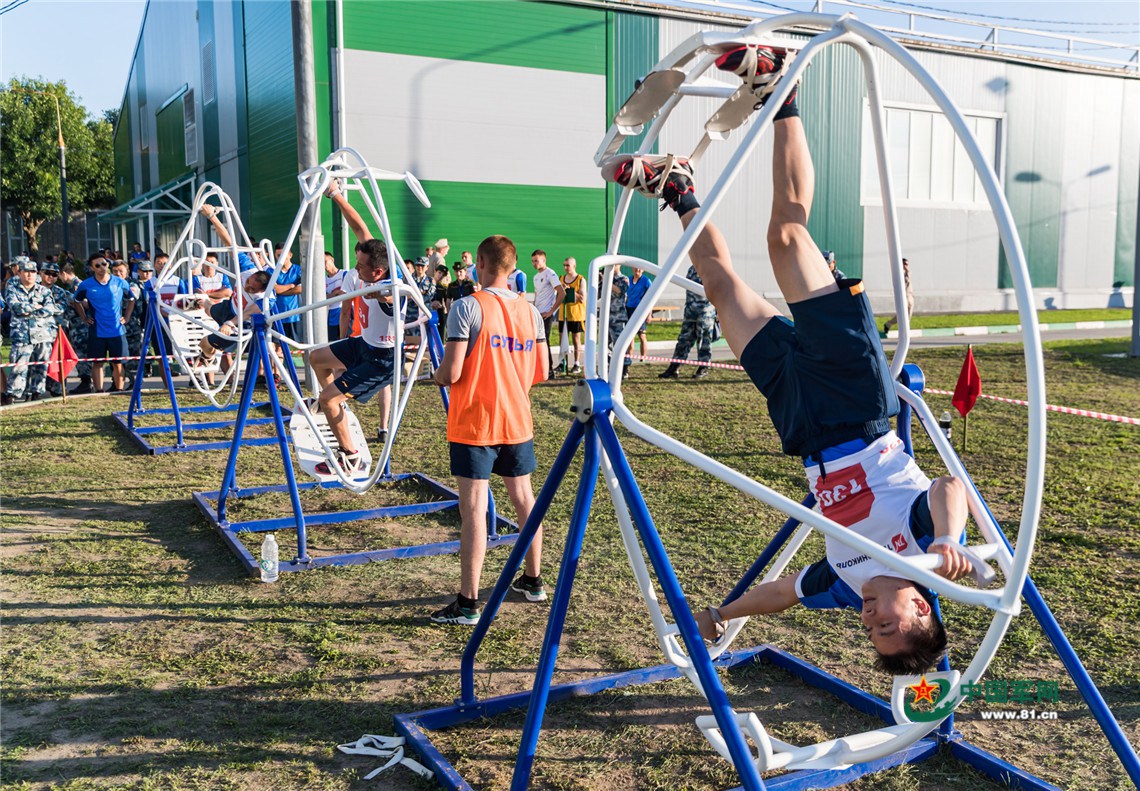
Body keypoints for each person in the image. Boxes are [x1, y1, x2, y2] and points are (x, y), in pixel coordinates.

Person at [607, 45, 975, 674]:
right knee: (785, 237)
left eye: (872, 633)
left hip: (803, 426)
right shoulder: (927, 554)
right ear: (922, 609)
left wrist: (722, 615)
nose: (872, 620)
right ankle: (782, 89)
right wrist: (945, 542)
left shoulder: (844, 586)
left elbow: (782, 594)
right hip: (858, 405)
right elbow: (949, 488)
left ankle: (678, 190)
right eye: (888, 624)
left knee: (722, 295)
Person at [430, 235, 549, 624]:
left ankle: (467, 603)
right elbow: (543, 372)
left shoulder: (467, 306)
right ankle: (533, 581)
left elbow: (452, 372)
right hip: (517, 419)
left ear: (479, 263)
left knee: (475, 510)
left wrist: (437, 375)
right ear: (514, 267)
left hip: (475, 423)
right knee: (524, 500)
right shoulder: (530, 312)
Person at [307, 179, 405, 473]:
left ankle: (349, 454)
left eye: (361, 266)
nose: (356, 268)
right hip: (362, 344)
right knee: (314, 357)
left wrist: (377, 293)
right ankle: (337, 406)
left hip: (382, 360)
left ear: (377, 271)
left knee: (327, 398)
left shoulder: (390, 285)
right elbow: (360, 227)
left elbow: (390, 297)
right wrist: (335, 193)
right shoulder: (375, 262)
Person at [73, 253, 136, 394]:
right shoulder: (86, 285)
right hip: (97, 330)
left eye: (104, 264)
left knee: (117, 362)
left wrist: (126, 316)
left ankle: (119, 389)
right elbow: (76, 301)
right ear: (92, 268)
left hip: (117, 330)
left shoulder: (120, 282)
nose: (102, 267)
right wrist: (84, 317)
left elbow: (131, 299)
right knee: (97, 362)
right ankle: (99, 391)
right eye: (97, 265)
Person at [3, 258, 61, 404]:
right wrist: (36, 307)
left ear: (37, 274)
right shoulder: (13, 288)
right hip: (21, 335)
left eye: (33, 272)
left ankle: (36, 392)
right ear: (20, 273)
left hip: (42, 334)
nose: (29, 275)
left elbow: (51, 309)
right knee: (18, 366)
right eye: (26, 272)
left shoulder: (44, 291)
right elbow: (15, 307)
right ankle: (13, 395)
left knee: (41, 365)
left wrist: (30, 309)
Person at [657, 263, 716, 380]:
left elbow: (716, 290)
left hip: (705, 312)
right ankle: (674, 367)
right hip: (690, 312)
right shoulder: (692, 269)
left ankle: (703, 367)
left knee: (704, 341)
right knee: (683, 340)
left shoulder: (711, 268)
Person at [530, 249, 564, 378]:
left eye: (537, 261)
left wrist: (551, 311)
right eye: (533, 261)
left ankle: (549, 370)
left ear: (544, 260)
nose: (534, 263)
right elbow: (537, 294)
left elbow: (562, 293)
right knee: (536, 341)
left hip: (546, 314)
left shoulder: (550, 273)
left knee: (544, 342)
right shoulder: (536, 276)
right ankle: (539, 369)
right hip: (538, 314)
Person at [40, 261, 70, 396]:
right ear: (40, 273)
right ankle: (35, 391)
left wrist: (39, 309)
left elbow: (60, 308)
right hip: (37, 332)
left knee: (58, 361)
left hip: (55, 332)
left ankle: (58, 389)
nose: (50, 277)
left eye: (54, 274)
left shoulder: (60, 292)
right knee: (39, 362)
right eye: (47, 273)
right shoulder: (33, 290)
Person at [557, 257, 586, 374]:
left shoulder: (580, 280)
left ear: (574, 266)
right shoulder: (561, 278)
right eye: (564, 265)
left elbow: (583, 298)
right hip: (563, 313)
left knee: (576, 338)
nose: (565, 267)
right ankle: (562, 363)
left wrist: (571, 291)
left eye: (568, 265)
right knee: (562, 338)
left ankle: (576, 363)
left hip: (576, 314)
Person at [272, 243, 303, 342]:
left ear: (290, 255)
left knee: (303, 346)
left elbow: (300, 289)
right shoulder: (272, 270)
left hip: (296, 315)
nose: (281, 257)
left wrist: (280, 291)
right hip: (278, 315)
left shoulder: (299, 270)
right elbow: (273, 290)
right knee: (277, 347)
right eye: (278, 255)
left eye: (283, 254)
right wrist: (290, 286)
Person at [625, 266, 653, 362]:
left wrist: (649, 314)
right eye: (636, 268)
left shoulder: (646, 281)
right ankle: (629, 357)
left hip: (640, 310)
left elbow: (651, 298)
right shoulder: (628, 279)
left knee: (641, 335)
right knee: (629, 335)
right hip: (628, 309)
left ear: (643, 270)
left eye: (640, 268)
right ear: (632, 269)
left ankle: (643, 357)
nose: (638, 270)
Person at [883, 258, 914, 335]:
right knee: (902, 315)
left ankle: (904, 329)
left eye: (907, 264)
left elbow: (909, 281)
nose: (906, 266)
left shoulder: (908, 273)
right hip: (904, 296)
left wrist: (907, 271)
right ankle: (890, 324)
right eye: (904, 264)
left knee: (909, 315)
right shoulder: (899, 274)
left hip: (910, 295)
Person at [324, 251, 346, 342]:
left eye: (325, 262)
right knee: (333, 344)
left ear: (332, 260)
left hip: (345, 312)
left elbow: (345, 293)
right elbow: (322, 297)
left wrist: (331, 295)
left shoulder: (344, 274)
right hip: (331, 315)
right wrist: (335, 293)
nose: (324, 265)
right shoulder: (323, 280)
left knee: (346, 341)